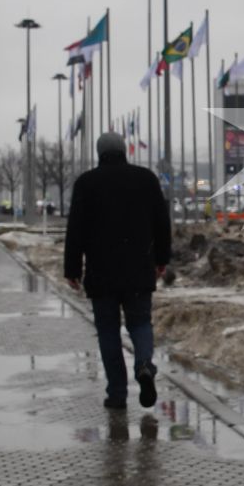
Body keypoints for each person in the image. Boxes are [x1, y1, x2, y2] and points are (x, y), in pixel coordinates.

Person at [64, 131, 172, 411]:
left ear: (99, 153)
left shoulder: (86, 183)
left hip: (101, 272)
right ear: (125, 151)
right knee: (140, 323)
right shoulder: (146, 179)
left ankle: (117, 393)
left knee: (108, 331)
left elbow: (75, 230)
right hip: (139, 269)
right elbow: (162, 223)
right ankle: (145, 363)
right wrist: (162, 258)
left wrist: (72, 268)